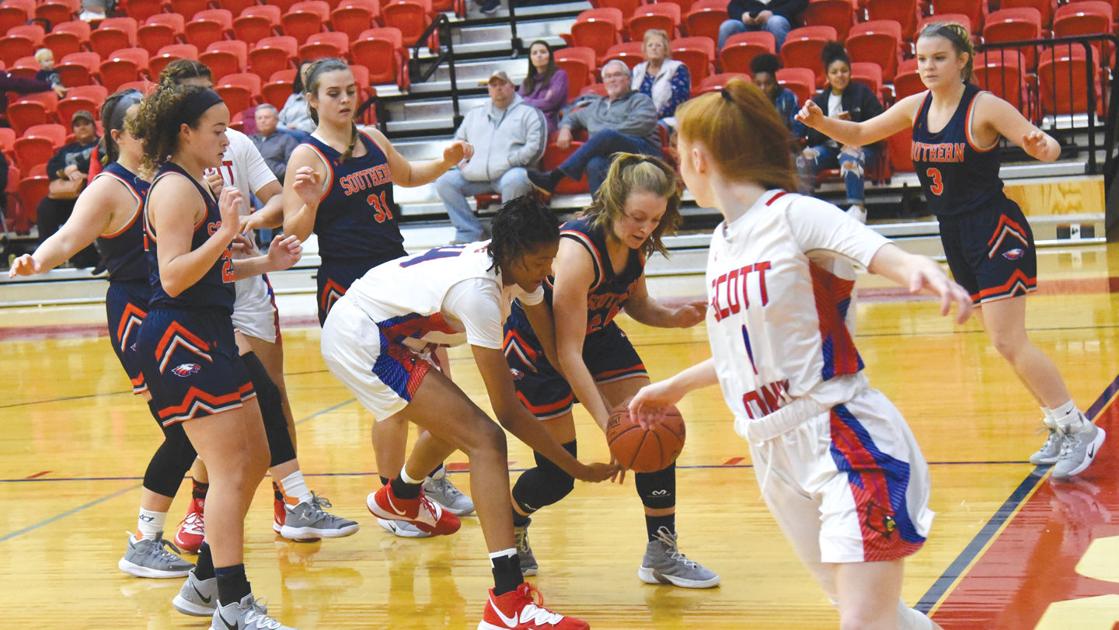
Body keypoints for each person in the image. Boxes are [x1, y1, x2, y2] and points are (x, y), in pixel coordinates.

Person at [631, 77, 970, 630]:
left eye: (678, 153)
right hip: (773, 452)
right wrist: (675, 387)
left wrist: (919, 268)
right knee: (877, 615)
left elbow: (874, 250)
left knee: (861, 621)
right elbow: (746, 354)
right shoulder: (721, 243)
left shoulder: (793, 214)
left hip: (843, 437)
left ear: (697, 157)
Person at [795, 23, 1106, 479]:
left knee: (1009, 340)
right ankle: (1060, 423)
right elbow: (859, 133)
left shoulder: (985, 106)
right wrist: (820, 123)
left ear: (962, 60)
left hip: (995, 230)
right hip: (955, 234)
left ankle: (1080, 429)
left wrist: (1041, 146)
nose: (928, 67)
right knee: (1002, 344)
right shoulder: (916, 106)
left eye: (939, 58)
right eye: (922, 59)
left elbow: (1047, 146)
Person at [320, 195, 615, 629]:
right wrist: (573, 466)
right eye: (540, 261)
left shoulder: (518, 269)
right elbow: (508, 413)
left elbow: (556, 354)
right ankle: (507, 602)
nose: (548, 269)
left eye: (551, 258)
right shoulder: (478, 294)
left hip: (396, 330)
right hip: (363, 336)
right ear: (512, 253)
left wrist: (606, 418)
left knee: (456, 422)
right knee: (486, 438)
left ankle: (400, 497)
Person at [157, 59, 357, 555]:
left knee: (270, 398)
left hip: (241, 287)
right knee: (210, 419)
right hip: (195, 302)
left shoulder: (237, 145)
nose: (218, 122)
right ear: (181, 121)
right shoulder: (170, 178)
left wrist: (249, 226)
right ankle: (198, 514)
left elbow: (276, 200)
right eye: (199, 101)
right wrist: (226, 230)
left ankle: (287, 504)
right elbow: (172, 266)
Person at [503, 154, 719, 588]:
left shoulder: (636, 243)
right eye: (637, 217)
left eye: (655, 220)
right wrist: (611, 427)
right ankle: (513, 521)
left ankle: (661, 552)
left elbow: (637, 304)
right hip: (539, 351)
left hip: (596, 336)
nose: (645, 228)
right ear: (614, 202)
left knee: (653, 423)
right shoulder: (578, 253)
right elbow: (567, 353)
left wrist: (674, 317)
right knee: (557, 477)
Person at [130, 82, 302, 628]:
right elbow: (173, 277)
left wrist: (264, 263)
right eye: (218, 129)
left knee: (255, 458)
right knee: (229, 470)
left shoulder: (197, 185)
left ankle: (205, 583)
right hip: (181, 339)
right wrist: (226, 231)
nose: (228, 139)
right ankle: (232, 605)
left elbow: (211, 270)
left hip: (211, 331)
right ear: (186, 132)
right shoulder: (173, 190)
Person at [282, 57, 476, 537]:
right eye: (333, 93)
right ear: (312, 100)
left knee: (439, 384)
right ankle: (394, 498)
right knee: (394, 400)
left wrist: (445, 162)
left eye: (350, 90)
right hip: (351, 291)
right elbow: (293, 232)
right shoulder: (307, 156)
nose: (345, 99)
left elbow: (406, 175)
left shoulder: (372, 138)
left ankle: (427, 478)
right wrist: (308, 205)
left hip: (399, 279)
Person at [9, 89, 198, 580]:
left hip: (182, 308)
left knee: (208, 425)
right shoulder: (109, 187)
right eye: (138, 127)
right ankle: (145, 540)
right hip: (140, 315)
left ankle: (198, 520)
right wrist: (36, 261)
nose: (150, 134)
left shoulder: (168, 174)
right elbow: (68, 237)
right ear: (117, 136)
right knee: (185, 430)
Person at [435, 70, 545, 244]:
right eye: (493, 85)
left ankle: (509, 233)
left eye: (502, 84)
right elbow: (458, 142)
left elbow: (536, 147)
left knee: (516, 179)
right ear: (488, 89)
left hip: (509, 172)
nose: (498, 88)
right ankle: (469, 232)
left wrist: (510, 161)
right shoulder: (474, 114)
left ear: (512, 87)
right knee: (444, 181)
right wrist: (462, 164)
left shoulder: (529, 112)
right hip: (475, 176)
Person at [527, 60, 660, 195]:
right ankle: (601, 208)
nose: (612, 79)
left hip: (642, 151)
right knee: (594, 163)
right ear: (604, 82)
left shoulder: (640, 100)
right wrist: (565, 128)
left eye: (617, 75)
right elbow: (572, 117)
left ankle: (556, 176)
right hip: (612, 157)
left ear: (628, 79)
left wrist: (604, 137)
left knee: (606, 135)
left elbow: (641, 125)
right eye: (608, 76)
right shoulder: (595, 106)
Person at [794, 42, 883, 223]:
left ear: (850, 72)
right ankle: (806, 209)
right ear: (827, 76)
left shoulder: (863, 93)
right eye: (834, 72)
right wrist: (828, 124)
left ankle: (857, 209)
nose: (840, 75)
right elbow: (812, 137)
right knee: (803, 158)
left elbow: (878, 123)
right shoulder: (819, 100)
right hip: (829, 148)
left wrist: (852, 126)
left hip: (861, 146)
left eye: (844, 71)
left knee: (850, 155)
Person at [37, 109, 100, 267]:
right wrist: (65, 171)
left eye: (86, 123)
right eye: (77, 125)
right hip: (67, 194)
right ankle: (49, 257)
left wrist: (77, 169)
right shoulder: (66, 150)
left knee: (78, 208)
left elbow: (102, 160)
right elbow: (51, 168)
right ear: (73, 130)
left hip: (91, 191)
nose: (82, 127)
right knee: (45, 208)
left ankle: (86, 256)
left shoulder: (101, 145)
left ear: (94, 126)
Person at [631, 29, 691, 124]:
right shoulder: (637, 70)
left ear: (665, 49)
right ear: (645, 50)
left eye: (658, 45)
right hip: (638, 121)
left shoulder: (677, 68)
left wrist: (654, 117)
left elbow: (679, 100)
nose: (654, 48)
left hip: (667, 120)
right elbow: (628, 98)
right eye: (650, 45)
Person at [519, 40, 568, 135]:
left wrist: (526, 101)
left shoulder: (559, 75)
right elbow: (517, 103)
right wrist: (539, 101)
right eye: (534, 53)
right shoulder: (526, 81)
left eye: (543, 52)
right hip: (526, 119)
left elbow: (550, 103)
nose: (539, 55)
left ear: (550, 56)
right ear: (530, 58)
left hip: (548, 121)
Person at [717, 0, 807, 50]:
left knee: (776, 21)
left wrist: (773, 13)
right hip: (750, 25)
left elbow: (800, 2)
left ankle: (784, 61)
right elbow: (733, 6)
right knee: (727, 26)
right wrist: (742, 15)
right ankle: (724, 66)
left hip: (778, 21)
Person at [252, 104, 301, 183]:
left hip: (278, 184)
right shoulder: (249, 140)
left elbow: (294, 167)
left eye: (266, 117)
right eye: (259, 118)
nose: (262, 121)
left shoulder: (286, 140)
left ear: (276, 120)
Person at [751, 53, 799, 131]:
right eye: (758, 84)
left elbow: (797, 128)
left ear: (775, 82)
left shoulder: (788, 97)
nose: (763, 88)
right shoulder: (749, 99)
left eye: (768, 83)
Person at [279, 62, 316, 138]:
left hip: (308, 135)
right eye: (304, 73)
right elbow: (280, 119)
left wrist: (298, 126)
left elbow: (323, 122)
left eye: (310, 72)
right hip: (287, 133)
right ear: (300, 77)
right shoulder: (293, 98)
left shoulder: (322, 98)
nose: (307, 76)